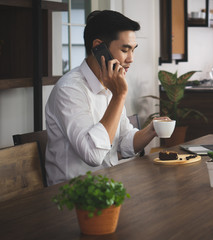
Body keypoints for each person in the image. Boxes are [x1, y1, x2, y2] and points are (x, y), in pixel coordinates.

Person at [45, 10, 164, 186]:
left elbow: (123, 143)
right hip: (72, 197)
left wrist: (151, 130)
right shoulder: (69, 90)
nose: (131, 59)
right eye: (125, 50)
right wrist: (119, 96)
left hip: (107, 187)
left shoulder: (111, 85)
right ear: (98, 47)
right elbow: (94, 155)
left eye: (133, 50)